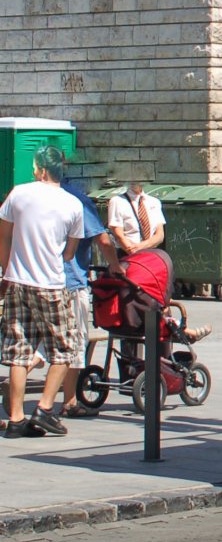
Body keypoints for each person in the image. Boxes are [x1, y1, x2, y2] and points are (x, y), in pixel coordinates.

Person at [0, 146, 84, 438]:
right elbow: (70, 253)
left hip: (16, 282)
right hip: (50, 284)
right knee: (65, 348)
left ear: (41, 170)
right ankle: (45, 409)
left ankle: (15, 418)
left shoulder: (18, 194)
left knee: (18, 351)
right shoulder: (72, 205)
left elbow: (4, 237)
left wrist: (7, 272)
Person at [54, 170, 115, 417]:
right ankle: (68, 401)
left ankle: (17, 384)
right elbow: (102, 239)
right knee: (73, 344)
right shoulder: (76, 200)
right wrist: (117, 266)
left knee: (39, 344)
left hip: (38, 280)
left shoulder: (33, 195)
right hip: (71, 281)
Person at [107, 178, 164, 256]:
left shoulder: (154, 202)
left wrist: (141, 246)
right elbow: (119, 235)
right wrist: (134, 253)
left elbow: (160, 235)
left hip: (149, 254)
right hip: (128, 255)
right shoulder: (117, 201)